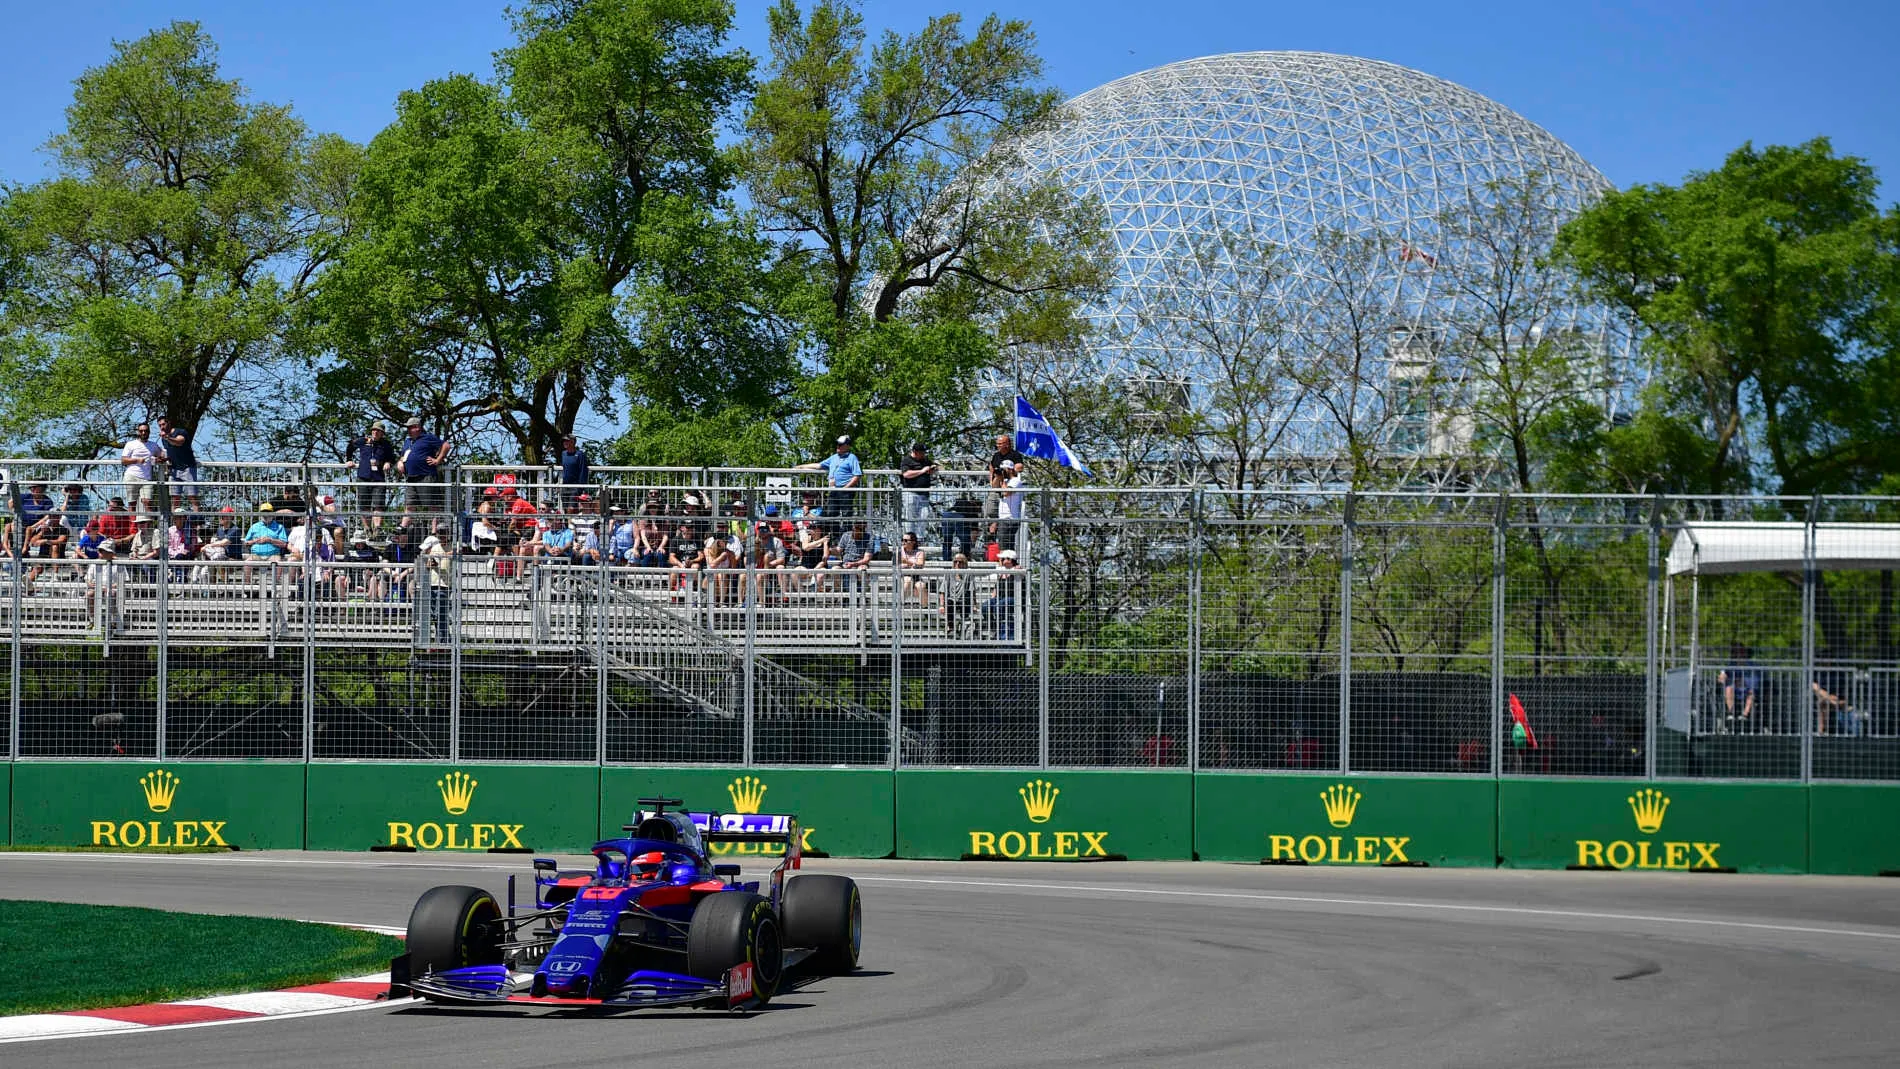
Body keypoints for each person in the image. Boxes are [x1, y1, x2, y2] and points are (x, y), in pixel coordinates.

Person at [797, 434, 862, 533]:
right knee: (831, 513)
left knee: (846, 514)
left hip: (846, 491)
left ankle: (846, 536)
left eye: (840, 444)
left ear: (847, 446)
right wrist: (802, 466)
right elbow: (819, 465)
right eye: (837, 444)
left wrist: (845, 488)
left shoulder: (852, 458)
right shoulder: (834, 457)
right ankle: (834, 537)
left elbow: (857, 475)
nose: (838, 446)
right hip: (833, 490)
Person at [400, 417, 450, 515]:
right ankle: (403, 527)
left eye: (411, 428)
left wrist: (438, 460)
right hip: (410, 477)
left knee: (432, 505)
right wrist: (400, 462)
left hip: (426, 475)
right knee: (409, 504)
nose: (408, 430)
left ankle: (434, 530)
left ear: (418, 427)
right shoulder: (407, 441)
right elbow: (403, 455)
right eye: (408, 428)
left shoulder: (428, 438)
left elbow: (446, 446)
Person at [347, 421, 396, 518]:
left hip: (378, 479)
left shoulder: (386, 444)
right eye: (373, 430)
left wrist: (388, 463)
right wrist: (349, 460)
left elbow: (392, 458)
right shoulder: (363, 441)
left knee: (378, 506)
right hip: (363, 477)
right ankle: (367, 530)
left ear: (382, 433)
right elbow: (350, 447)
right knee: (364, 506)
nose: (375, 432)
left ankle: (377, 530)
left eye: (378, 430)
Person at [156, 416, 199, 512]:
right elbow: (170, 452)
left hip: (187, 468)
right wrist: (164, 459)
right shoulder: (164, 439)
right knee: (175, 499)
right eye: (159, 426)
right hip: (174, 470)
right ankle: (175, 524)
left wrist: (168, 438)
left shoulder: (180, 432)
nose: (162, 427)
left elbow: (179, 442)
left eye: (163, 424)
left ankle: (198, 523)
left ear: (169, 423)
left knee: (192, 497)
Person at [420, 521, 454, 642]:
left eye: (444, 533)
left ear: (449, 533)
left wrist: (442, 556)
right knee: (436, 614)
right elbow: (428, 565)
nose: (442, 535)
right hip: (433, 583)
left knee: (441, 613)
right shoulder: (434, 547)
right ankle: (443, 639)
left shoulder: (453, 546)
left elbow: (456, 553)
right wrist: (432, 563)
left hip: (445, 584)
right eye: (440, 533)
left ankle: (443, 640)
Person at [120, 420, 166, 507]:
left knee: (147, 502)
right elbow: (123, 460)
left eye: (146, 431)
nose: (143, 433)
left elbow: (162, 455)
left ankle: (148, 520)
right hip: (132, 476)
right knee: (132, 503)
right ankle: (132, 521)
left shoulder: (153, 445)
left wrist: (158, 459)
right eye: (141, 431)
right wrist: (137, 460)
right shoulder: (131, 444)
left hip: (146, 478)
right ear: (138, 432)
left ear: (149, 432)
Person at [899, 441, 938, 541]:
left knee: (924, 515)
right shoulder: (907, 460)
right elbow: (906, 474)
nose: (923, 455)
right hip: (910, 492)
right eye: (922, 452)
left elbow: (933, 465)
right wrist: (921, 471)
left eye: (924, 453)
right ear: (915, 452)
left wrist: (933, 468)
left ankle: (920, 538)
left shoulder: (925, 460)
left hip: (924, 494)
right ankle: (909, 538)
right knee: (910, 516)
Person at [983, 548, 1023, 640]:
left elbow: (1023, 574)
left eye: (1002, 559)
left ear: (1010, 560)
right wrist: (992, 598)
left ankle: (1001, 630)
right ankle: (994, 627)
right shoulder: (1001, 572)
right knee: (986, 606)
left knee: (999, 605)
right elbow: (996, 588)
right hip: (1001, 598)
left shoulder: (1017, 571)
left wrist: (1019, 569)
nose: (1000, 561)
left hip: (1013, 599)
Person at [1718, 643, 1760, 730]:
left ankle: (1745, 715)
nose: (1738, 654)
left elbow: (1755, 681)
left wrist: (1743, 682)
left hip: (1747, 689)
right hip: (1735, 690)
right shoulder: (1730, 664)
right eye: (1735, 652)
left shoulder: (1752, 665)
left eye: (1740, 652)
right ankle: (1731, 713)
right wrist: (1723, 676)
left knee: (1751, 693)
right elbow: (1722, 677)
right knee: (1729, 688)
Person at [984, 433, 1024, 522]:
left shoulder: (1015, 455)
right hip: (997, 485)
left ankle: (1001, 526)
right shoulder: (996, 456)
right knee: (990, 511)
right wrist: (993, 478)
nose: (998, 446)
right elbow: (992, 467)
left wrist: (1008, 471)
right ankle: (992, 528)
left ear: (1006, 444)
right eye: (997, 444)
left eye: (1000, 444)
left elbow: (1020, 467)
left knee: (1006, 513)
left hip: (1008, 486)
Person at [558, 435, 590, 509]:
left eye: (567, 441)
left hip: (575, 486)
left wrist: (580, 487)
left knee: (572, 508)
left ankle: (572, 520)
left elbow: (583, 471)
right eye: (564, 441)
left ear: (573, 442)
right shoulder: (563, 454)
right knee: (565, 508)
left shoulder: (580, 454)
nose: (565, 443)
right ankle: (566, 520)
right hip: (565, 486)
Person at [899, 531, 930, 606]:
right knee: (908, 580)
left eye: (906, 540)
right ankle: (899, 606)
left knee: (921, 586)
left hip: (916, 576)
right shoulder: (899, 551)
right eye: (902, 540)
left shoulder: (919, 552)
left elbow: (920, 564)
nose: (903, 542)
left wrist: (906, 562)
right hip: (901, 576)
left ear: (913, 542)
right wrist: (912, 564)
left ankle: (925, 608)